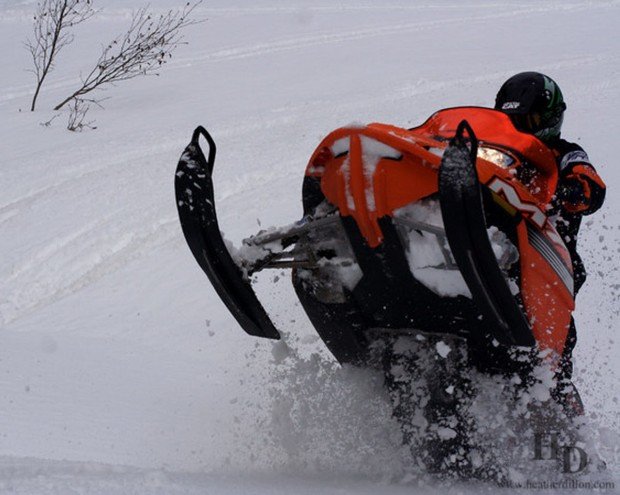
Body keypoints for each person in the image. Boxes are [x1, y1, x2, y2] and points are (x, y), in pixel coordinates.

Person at [494, 71, 606, 413]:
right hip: (498, 256)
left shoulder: (566, 154)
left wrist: (573, 189)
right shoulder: (496, 151)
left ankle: (558, 417)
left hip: (547, 272)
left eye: (528, 119)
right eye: (512, 119)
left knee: (552, 358)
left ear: (550, 117)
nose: (521, 126)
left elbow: (592, 188)